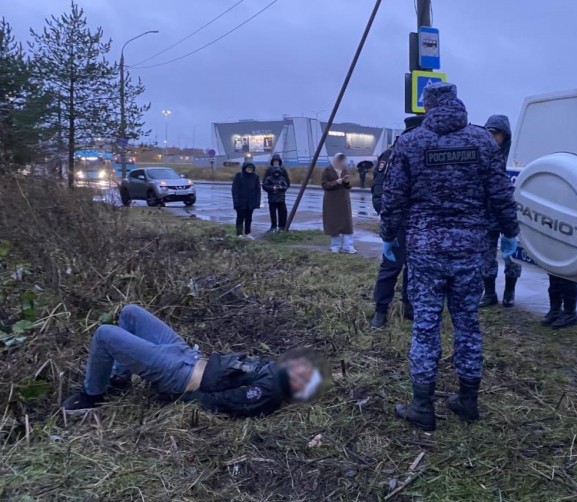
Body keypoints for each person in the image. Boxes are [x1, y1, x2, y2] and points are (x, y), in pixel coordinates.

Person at [380, 82, 519, 431]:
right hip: (470, 247)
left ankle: (422, 406)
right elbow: (501, 193)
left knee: (426, 326)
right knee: (467, 323)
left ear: (427, 106)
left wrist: (388, 236)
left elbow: (394, 196)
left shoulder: (410, 142)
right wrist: (510, 232)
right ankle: (468, 400)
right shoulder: (482, 141)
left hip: (425, 249)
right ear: (457, 104)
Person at [62, 305, 324, 416]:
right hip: (186, 354)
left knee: (105, 335)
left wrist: (179, 398)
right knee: (131, 312)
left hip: (178, 374)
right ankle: (119, 379)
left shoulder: (269, 391)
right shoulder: (272, 369)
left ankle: (92, 396)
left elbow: (224, 403)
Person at [369, 115, 424, 329]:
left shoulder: (422, 153)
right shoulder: (391, 154)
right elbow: (379, 187)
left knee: (415, 268)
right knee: (391, 266)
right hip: (397, 221)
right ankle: (380, 311)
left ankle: (409, 307)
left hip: (419, 223)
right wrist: (385, 212)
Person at [480, 115, 523, 308]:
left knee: (511, 256)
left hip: (508, 215)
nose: (492, 137)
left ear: (505, 135)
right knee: (486, 256)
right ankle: (489, 292)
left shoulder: (515, 159)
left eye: (496, 133)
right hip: (485, 215)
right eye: (489, 132)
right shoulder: (482, 154)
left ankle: (509, 291)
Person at [321, 152, 356, 254]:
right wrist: (335, 182)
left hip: (344, 200)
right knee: (334, 223)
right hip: (332, 200)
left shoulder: (344, 170)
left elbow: (348, 186)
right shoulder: (327, 170)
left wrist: (346, 182)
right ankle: (335, 246)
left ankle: (348, 246)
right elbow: (324, 185)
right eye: (340, 160)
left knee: (347, 223)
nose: (341, 162)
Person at [231, 161, 261, 239]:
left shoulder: (255, 177)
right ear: (244, 168)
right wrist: (236, 201)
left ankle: (248, 233)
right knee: (240, 217)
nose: (249, 169)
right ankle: (239, 233)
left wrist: (257, 202)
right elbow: (235, 189)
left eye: (251, 168)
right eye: (248, 168)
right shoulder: (239, 176)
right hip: (240, 201)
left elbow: (258, 190)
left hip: (251, 201)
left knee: (249, 218)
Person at [263, 159, 290, 233]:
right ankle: (273, 227)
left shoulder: (282, 178)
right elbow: (264, 186)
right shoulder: (269, 178)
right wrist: (272, 188)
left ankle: (282, 227)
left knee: (283, 213)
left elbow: (286, 185)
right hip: (272, 199)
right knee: (273, 214)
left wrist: (282, 188)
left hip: (281, 198)